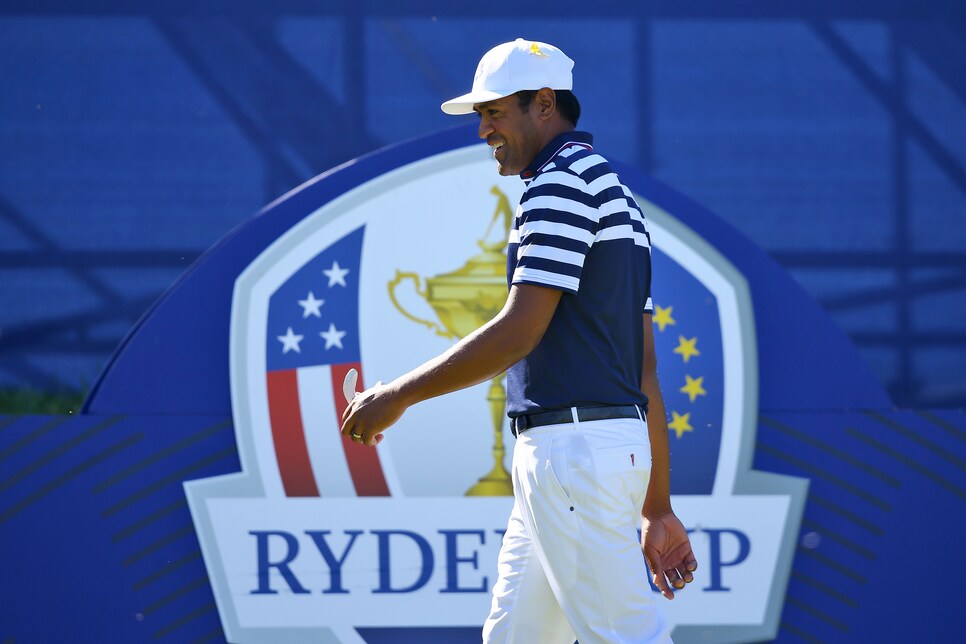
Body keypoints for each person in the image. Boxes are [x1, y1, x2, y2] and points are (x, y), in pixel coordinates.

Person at [341, 38, 697, 643]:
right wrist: (655, 506)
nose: (482, 130)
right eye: (480, 115)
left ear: (545, 104)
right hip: (579, 456)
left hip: (572, 457)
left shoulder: (559, 184)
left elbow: (518, 331)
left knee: (628, 638)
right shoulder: (608, 187)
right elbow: (644, 369)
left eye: (495, 112)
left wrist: (395, 396)